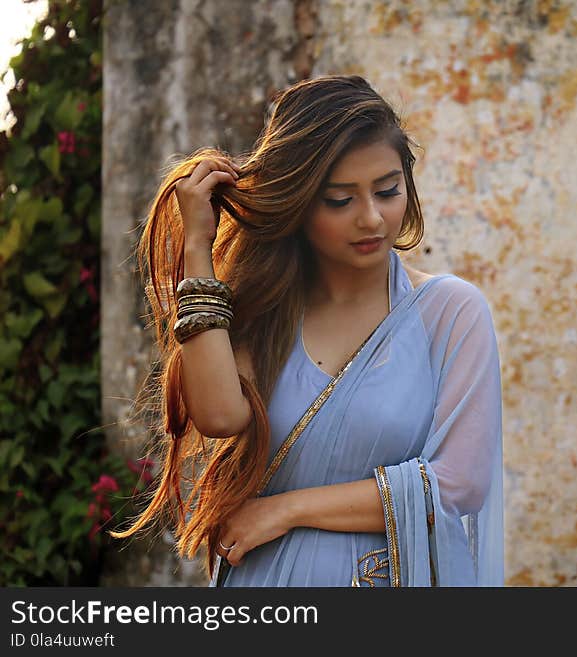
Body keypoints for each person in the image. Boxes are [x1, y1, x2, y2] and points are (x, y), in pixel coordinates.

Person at [110, 74, 504, 587]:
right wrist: (196, 251)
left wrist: (287, 510)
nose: (371, 219)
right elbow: (220, 416)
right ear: (298, 202)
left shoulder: (451, 313)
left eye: (388, 191)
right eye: (340, 200)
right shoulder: (267, 311)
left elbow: (458, 485)